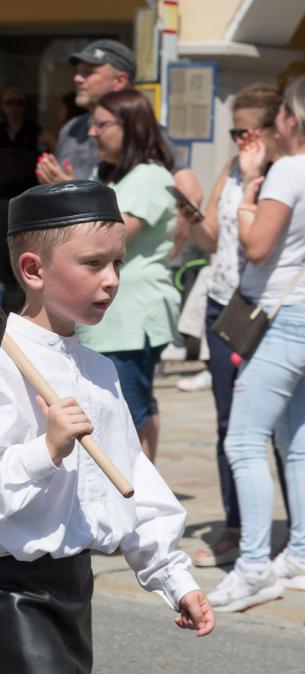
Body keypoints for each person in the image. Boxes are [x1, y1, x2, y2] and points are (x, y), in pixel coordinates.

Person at [0, 180, 213, 674]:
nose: (112, 279)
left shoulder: (99, 372)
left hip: (70, 593)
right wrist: (45, 450)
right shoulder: (5, 363)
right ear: (33, 269)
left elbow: (133, 483)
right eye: (93, 263)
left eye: (117, 261)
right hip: (9, 597)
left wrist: (172, 575)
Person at [208, 75, 305, 613]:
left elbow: (259, 246)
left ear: (290, 119)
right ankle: (302, 557)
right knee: (298, 443)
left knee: (243, 443)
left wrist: (248, 190)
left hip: (286, 320)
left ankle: (253, 569)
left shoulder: (288, 170)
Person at [185, 82, 291, 568]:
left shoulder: (285, 174)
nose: (240, 141)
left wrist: (253, 179)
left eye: (248, 131)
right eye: (235, 132)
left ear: (274, 128)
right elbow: (210, 237)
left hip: (267, 306)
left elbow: (262, 246)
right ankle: (236, 524)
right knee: (229, 422)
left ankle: (293, 533)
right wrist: (189, 214)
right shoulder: (231, 169)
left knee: (280, 425)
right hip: (223, 303)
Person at [72, 89, 177, 462]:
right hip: (111, 318)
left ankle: (135, 490)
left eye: (101, 124)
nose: (92, 133)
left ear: (130, 126)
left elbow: (106, 239)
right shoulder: (111, 175)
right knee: (127, 409)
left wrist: (66, 208)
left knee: (125, 417)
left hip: (131, 318)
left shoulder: (150, 176)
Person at [34, 39, 203, 254]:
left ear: (119, 80)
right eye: (78, 72)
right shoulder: (71, 129)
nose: (77, 78)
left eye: (88, 72)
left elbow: (190, 196)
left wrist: (166, 257)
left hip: (114, 255)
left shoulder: (148, 134)